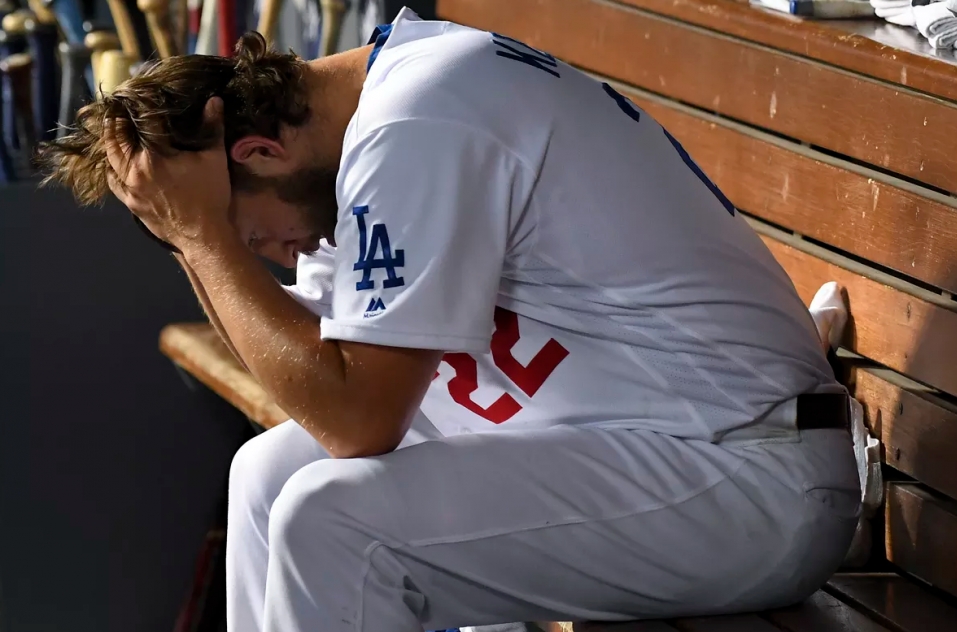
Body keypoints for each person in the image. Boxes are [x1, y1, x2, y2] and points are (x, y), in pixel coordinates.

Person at [36, 8, 861, 632]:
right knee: (268, 477)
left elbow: (359, 421)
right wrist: (197, 236)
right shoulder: (368, 124)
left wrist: (202, 237)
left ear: (258, 154)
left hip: (748, 473)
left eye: (259, 237)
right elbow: (315, 387)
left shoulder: (415, 122)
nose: (284, 258)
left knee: (332, 523)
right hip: (655, 446)